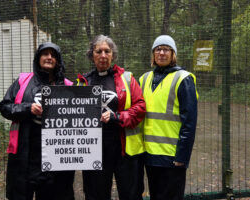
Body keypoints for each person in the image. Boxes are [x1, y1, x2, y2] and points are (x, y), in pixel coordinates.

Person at [0, 42, 75, 200]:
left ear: (58, 61)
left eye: (53, 55)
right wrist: (28, 109)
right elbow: (5, 107)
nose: (49, 57)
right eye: (45, 54)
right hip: (25, 153)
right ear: (38, 58)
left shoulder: (69, 86)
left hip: (56, 157)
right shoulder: (23, 80)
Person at [77, 35, 146, 200]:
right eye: (98, 51)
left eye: (107, 51)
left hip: (124, 149)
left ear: (112, 55)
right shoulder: (82, 82)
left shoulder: (127, 79)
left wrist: (117, 116)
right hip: (94, 151)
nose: (103, 55)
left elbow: (140, 107)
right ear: (91, 55)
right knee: (96, 194)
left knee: (130, 194)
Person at [139, 35, 198, 200]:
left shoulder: (183, 79)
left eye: (166, 49)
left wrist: (182, 157)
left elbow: (190, 122)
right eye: (158, 49)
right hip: (150, 155)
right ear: (153, 54)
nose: (162, 53)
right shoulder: (144, 79)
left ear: (173, 54)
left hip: (172, 157)